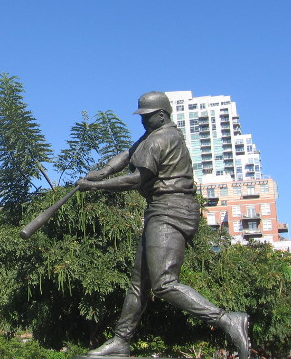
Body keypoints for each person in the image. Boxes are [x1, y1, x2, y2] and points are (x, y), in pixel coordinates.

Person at [75, 91, 250, 358]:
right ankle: (122, 340)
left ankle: (226, 319)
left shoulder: (163, 138)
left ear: (161, 114)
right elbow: (127, 154)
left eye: (147, 117)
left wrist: (95, 185)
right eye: (141, 117)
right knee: (139, 284)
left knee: (164, 283)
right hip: (159, 209)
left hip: (171, 210)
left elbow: (136, 179)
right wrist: (104, 170)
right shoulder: (153, 136)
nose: (142, 122)